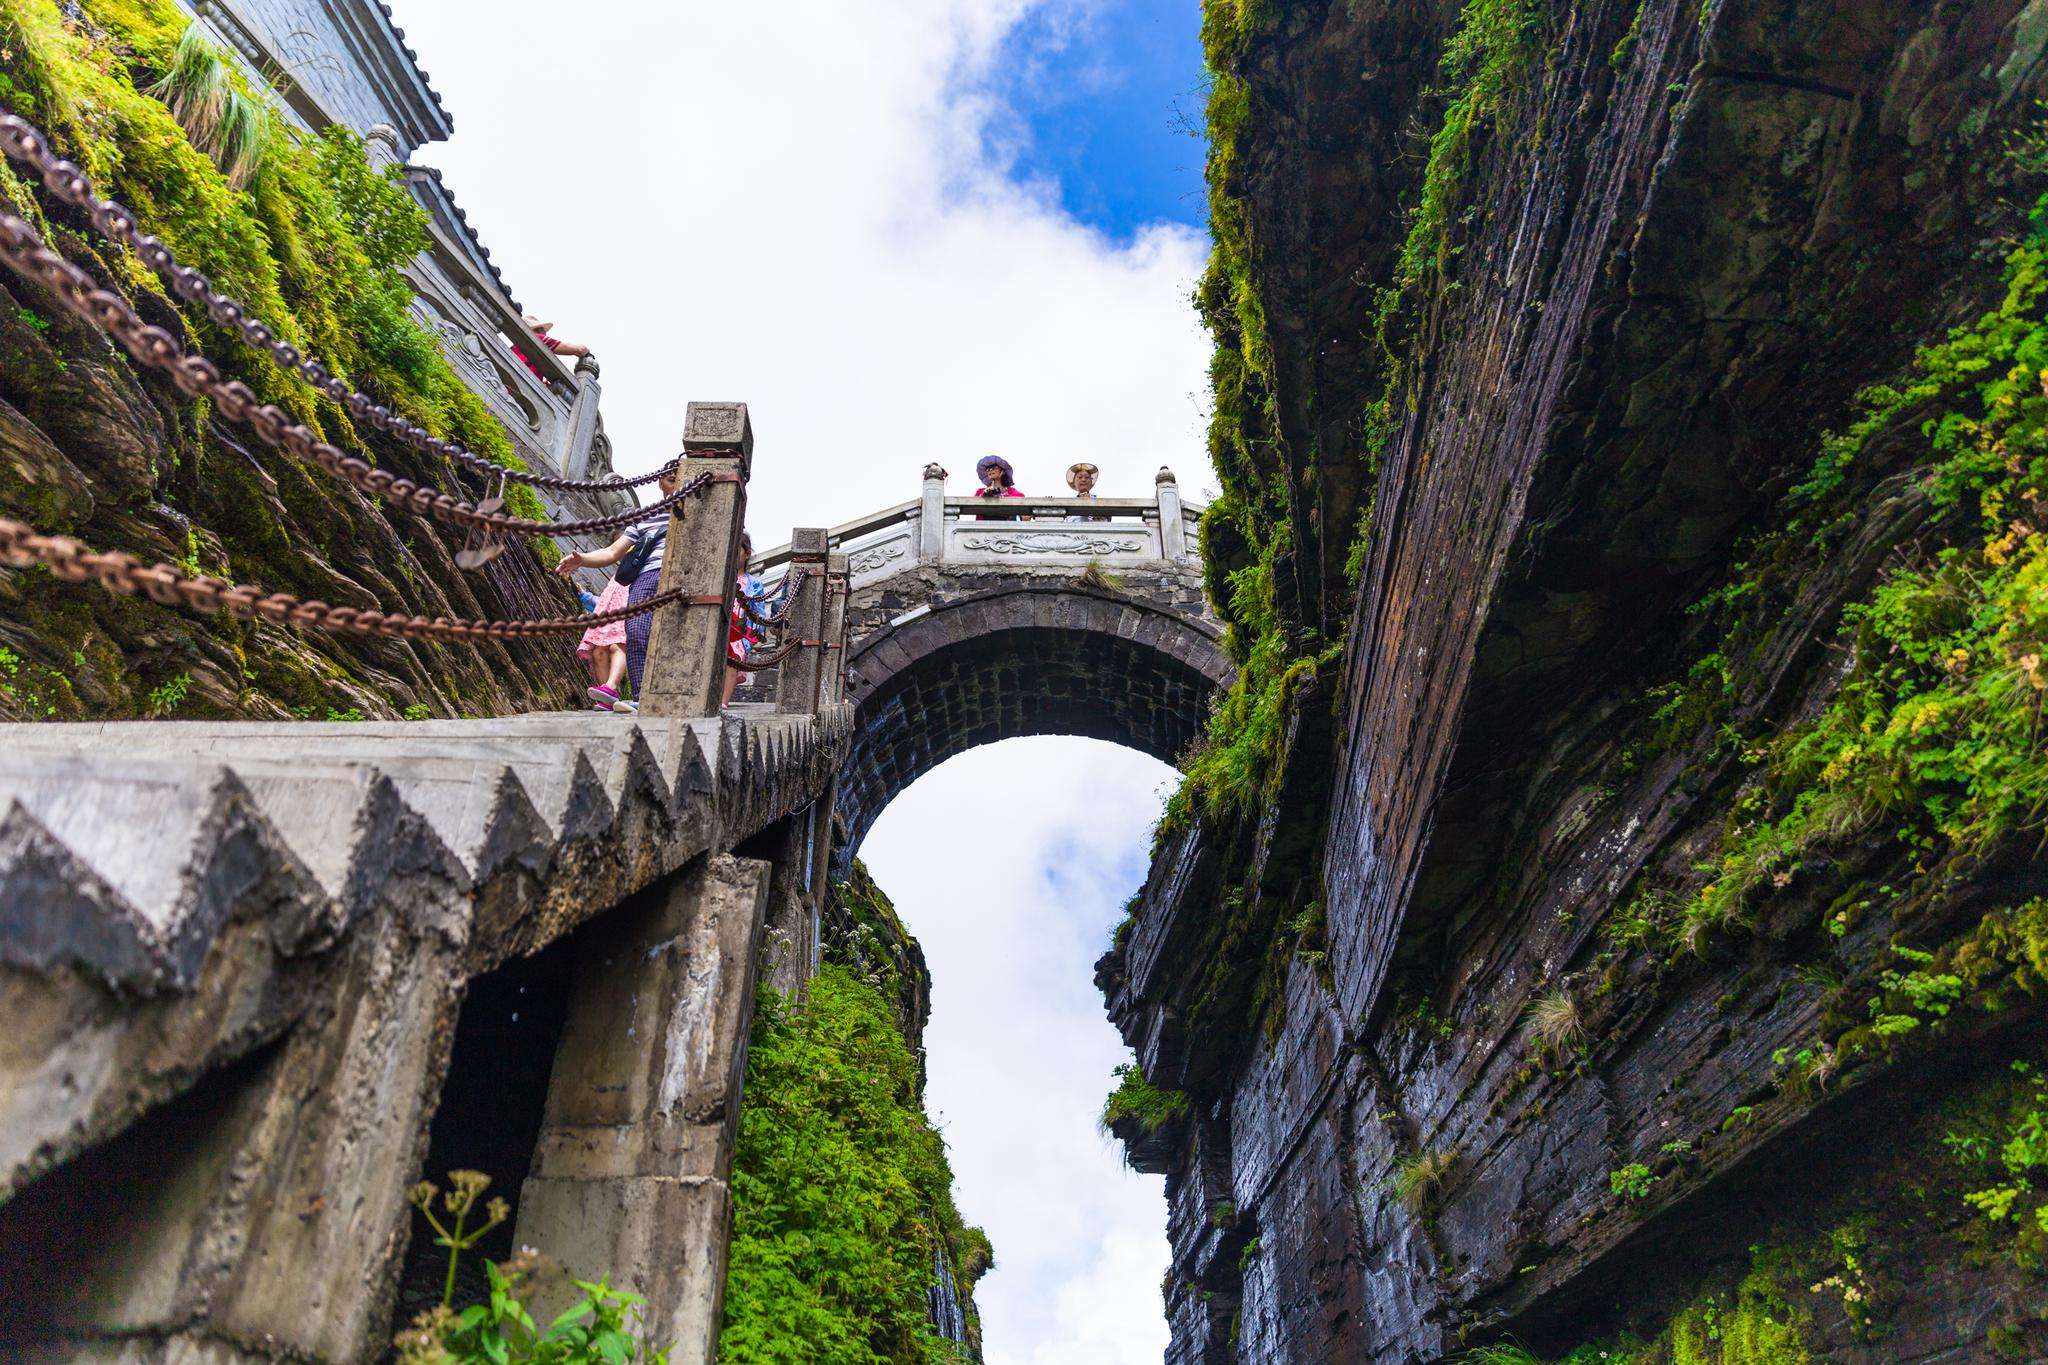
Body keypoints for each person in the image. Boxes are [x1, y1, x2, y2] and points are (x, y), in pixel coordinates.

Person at [554, 460, 683, 709]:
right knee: (635, 632)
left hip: (683, 576)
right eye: (671, 478)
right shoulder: (646, 516)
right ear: (661, 482)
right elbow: (613, 551)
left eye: (682, 477)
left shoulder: (701, 510)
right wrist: (582, 560)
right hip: (646, 577)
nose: (676, 482)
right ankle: (640, 698)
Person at [572, 562, 631, 711]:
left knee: (616, 647)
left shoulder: (639, 577)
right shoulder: (617, 577)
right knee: (598, 652)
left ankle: (610, 688)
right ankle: (607, 698)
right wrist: (585, 596)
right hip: (607, 619)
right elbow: (603, 603)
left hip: (626, 615)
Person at [725, 533, 762, 708]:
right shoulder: (723, 578)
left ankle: (723, 702)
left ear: (746, 553)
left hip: (739, 630)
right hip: (723, 624)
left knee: (735, 657)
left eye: (738, 550)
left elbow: (758, 612)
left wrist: (752, 636)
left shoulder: (754, 584)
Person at [516, 315, 591, 381]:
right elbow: (579, 350)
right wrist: (587, 352)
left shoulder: (515, 346)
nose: (545, 333)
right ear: (538, 330)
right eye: (542, 329)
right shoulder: (537, 338)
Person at [972, 455, 1024, 520]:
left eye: (994, 468)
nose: (990, 470)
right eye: (988, 469)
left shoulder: (1012, 492)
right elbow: (974, 505)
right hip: (985, 526)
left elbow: (1021, 501)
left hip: (1006, 527)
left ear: (1003, 471)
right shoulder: (980, 491)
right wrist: (984, 495)